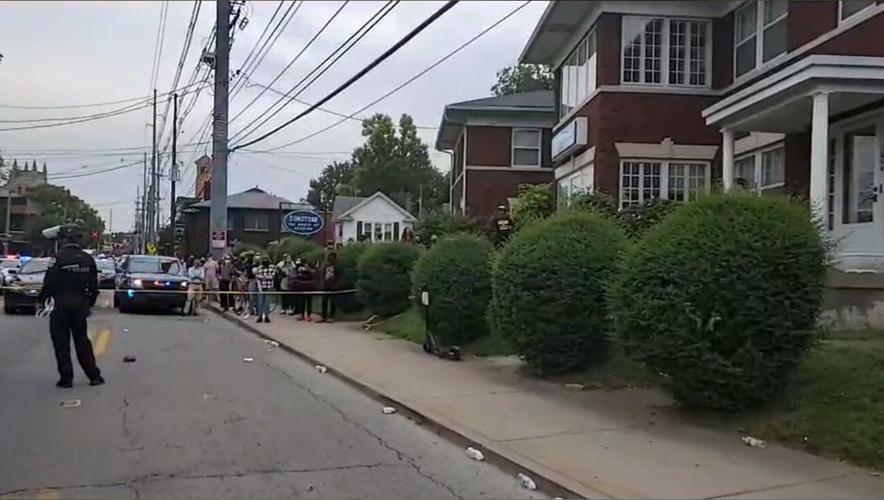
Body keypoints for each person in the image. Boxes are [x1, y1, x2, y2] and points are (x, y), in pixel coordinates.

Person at [36, 224, 104, 388]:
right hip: (79, 306)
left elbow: (49, 282)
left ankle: (66, 379)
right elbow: (93, 286)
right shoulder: (87, 259)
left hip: (60, 306)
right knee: (82, 342)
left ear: (64, 240)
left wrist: (41, 300)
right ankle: (94, 376)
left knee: (61, 344)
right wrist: (89, 303)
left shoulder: (58, 258)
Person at [317, 249, 339, 323]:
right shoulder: (326, 266)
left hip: (333, 286)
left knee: (332, 302)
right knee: (324, 301)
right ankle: (323, 316)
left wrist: (336, 285)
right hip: (325, 286)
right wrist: (322, 283)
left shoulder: (337, 266)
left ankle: (331, 316)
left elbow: (339, 276)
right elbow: (323, 275)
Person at [253, 256, 276, 323]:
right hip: (260, 287)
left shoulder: (272, 267)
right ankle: (260, 316)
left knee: (267, 302)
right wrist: (260, 284)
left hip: (268, 287)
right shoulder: (259, 268)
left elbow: (272, 276)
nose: (265, 261)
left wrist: (263, 277)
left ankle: (266, 317)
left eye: (266, 260)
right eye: (263, 260)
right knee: (260, 302)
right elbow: (257, 276)